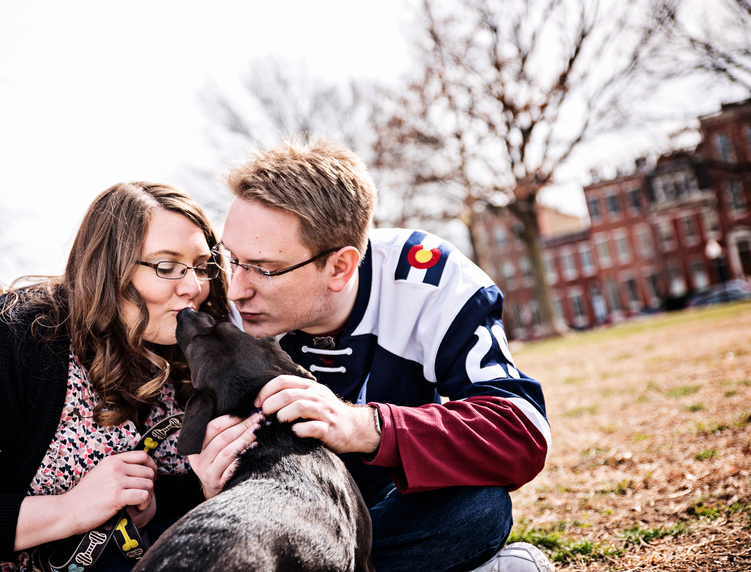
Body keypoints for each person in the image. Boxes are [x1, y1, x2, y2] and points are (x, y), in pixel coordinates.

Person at [0, 182, 260, 571]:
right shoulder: (12, 340)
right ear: (109, 269)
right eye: (168, 266)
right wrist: (70, 510)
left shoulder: (193, 360)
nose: (194, 287)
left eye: (202, 266)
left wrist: (175, 501)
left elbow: (175, 502)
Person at [189, 137, 554, 572]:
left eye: (263, 269)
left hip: (390, 505)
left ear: (340, 267)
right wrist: (210, 486)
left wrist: (365, 425)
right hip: (286, 521)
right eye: (230, 259)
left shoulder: (431, 280)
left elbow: (522, 433)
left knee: (479, 509)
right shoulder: (220, 308)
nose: (236, 287)